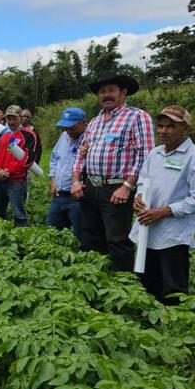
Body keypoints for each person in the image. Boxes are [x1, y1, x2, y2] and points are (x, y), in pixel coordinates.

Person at [129, 106, 195, 304]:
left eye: (170, 126)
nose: (163, 131)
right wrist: (139, 195)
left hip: (173, 233)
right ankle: (151, 317)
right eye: (160, 126)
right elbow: (143, 180)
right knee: (148, 280)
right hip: (148, 227)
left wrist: (165, 211)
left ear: (185, 128)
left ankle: (175, 318)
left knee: (173, 287)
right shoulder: (155, 153)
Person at [71, 71, 154, 271]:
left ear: (123, 93)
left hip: (116, 188)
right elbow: (82, 152)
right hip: (91, 187)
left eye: (111, 90)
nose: (106, 95)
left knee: (117, 240)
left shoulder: (137, 117)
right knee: (91, 236)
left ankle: (122, 282)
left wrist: (127, 186)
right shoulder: (95, 121)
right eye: (102, 91)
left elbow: (146, 155)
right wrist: (76, 180)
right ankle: (97, 276)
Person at [0, 105, 37, 227]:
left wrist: (8, 171)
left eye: (14, 119)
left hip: (16, 181)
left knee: (18, 213)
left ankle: (22, 234)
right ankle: (1, 233)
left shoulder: (28, 135)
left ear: (20, 118)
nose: (11, 122)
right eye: (8, 119)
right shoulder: (2, 135)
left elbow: (28, 158)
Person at [48, 107, 87, 239]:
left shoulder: (90, 139)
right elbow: (54, 159)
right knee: (52, 232)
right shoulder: (63, 136)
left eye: (72, 127)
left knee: (81, 235)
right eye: (65, 127)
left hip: (78, 198)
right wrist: (53, 180)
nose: (68, 131)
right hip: (58, 195)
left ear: (83, 123)